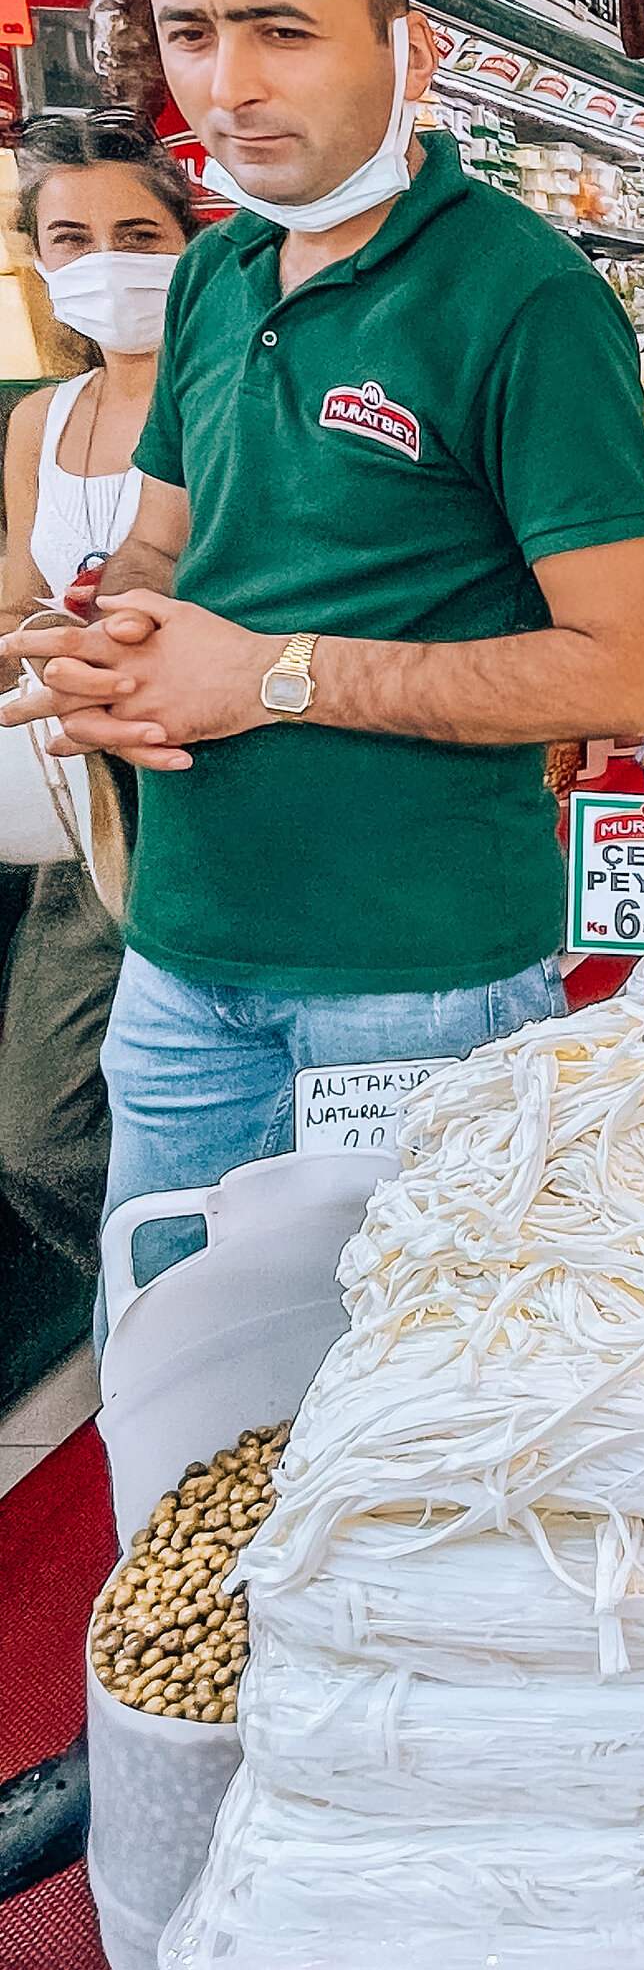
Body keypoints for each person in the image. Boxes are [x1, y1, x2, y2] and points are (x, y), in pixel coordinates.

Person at [0, 0, 644, 1222]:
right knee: (176, 1364)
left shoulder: (524, 296)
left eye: (281, 30)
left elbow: (623, 674)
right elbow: (160, 548)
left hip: (420, 977)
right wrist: (103, 640)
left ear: (404, 45)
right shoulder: (210, 271)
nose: (230, 84)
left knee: (412, 1402)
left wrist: (270, 673)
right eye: (192, 33)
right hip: (182, 951)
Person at [0, 115, 192, 1273]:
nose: (106, 260)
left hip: (211, 795)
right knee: (42, 1130)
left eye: (138, 233)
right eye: (71, 236)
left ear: (190, 245)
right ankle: (147, 1300)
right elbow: (20, 592)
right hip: (85, 813)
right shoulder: (40, 422)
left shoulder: (235, 399)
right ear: (36, 259)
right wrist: (41, 639)